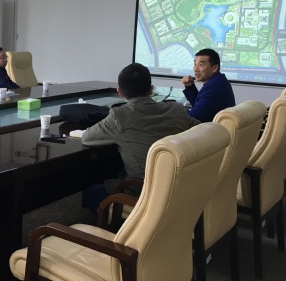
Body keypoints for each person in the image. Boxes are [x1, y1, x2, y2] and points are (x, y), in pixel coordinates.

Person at [81, 62, 201, 215]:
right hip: (179, 185)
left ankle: (117, 227)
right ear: (151, 89)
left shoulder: (120, 115)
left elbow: (87, 138)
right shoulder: (176, 109)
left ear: (120, 92)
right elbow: (203, 130)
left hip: (142, 191)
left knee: (90, 193)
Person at [181, 48, 236, 123]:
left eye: (200, 65)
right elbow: (199, 106)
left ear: (214, 68)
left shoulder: (214, 87)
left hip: (211, 129)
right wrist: (190, 87)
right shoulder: (218, 80)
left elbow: (195, 116)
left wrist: (176, 111)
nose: (195, 69)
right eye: (195, 64)